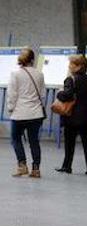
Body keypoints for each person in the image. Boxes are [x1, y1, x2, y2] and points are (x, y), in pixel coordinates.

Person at [54, 54, 87, 175]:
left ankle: (67, 166)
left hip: (73, 117)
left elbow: (67, 95)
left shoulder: (71, 79)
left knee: (69, 143)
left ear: (78, 66)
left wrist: (59, 93)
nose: (69, 66)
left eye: (71, 64)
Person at [7, 48, 45, 178]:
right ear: (32, 60)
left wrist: (10, 108)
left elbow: (12, 95)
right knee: (34, 141)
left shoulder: (15, 74)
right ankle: (36, 169)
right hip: (36, 113)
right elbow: (42, 94)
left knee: (16, 139)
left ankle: (22, 165)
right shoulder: (39, 74)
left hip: (19, 113)